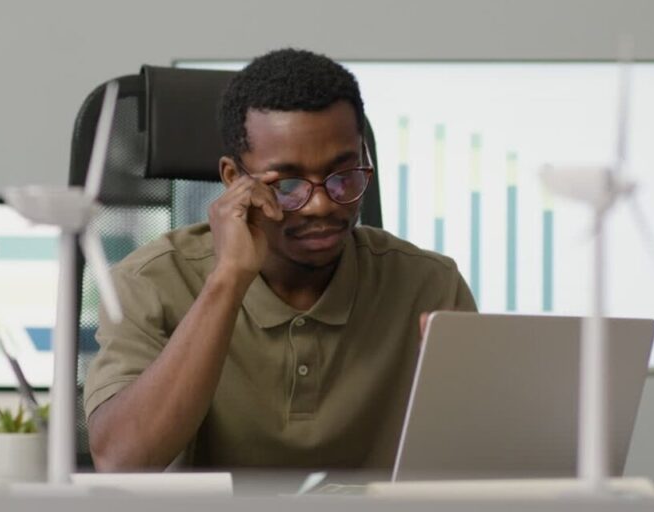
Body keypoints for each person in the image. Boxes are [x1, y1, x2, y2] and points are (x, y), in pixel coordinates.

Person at [84, 48, 477, 472]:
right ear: (234, 180)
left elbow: (490, 462)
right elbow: (121, 461)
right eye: (287, 185)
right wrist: (227, 280)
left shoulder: (430, 285)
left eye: (344, 177)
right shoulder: (150, 282)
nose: (322, 205)